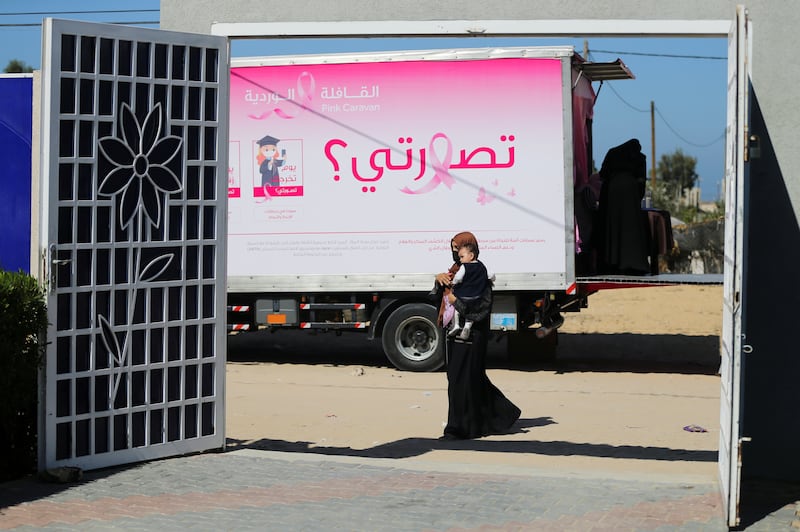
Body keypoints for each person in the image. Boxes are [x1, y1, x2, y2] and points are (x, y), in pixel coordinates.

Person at [434, 231, 521, 440]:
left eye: (458, 249)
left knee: (465, 379)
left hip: (473, 335)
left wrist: (458, 303)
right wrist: (439, 281)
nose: (455, 253)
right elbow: (441, 298)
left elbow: (482, 307)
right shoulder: (455, 272)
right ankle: (502, 413)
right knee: (459, 378)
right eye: (453, 249)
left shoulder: (480, 274)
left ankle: (459, 428)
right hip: (453, 335)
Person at [594, 138, 651, 275]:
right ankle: (633, 264)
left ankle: (612, 263)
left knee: (613, 228)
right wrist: (636, 199)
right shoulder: (640, 157)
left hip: (612, 192)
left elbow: (602, 175)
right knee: (631, 230)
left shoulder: (613, 152)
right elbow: (641, 181)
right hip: (630, 194)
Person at [445, 242, 494, 341]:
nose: (460, 259)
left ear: (471, 256)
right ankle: (467, 327)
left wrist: (453, 283)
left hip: (464, 296)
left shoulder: (464, 267)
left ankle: (456, 325)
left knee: (456, 308)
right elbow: (491, 275)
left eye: (462, 257)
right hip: (476, 297)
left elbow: (458, 278)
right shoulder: (481, 266)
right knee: (471, 312)